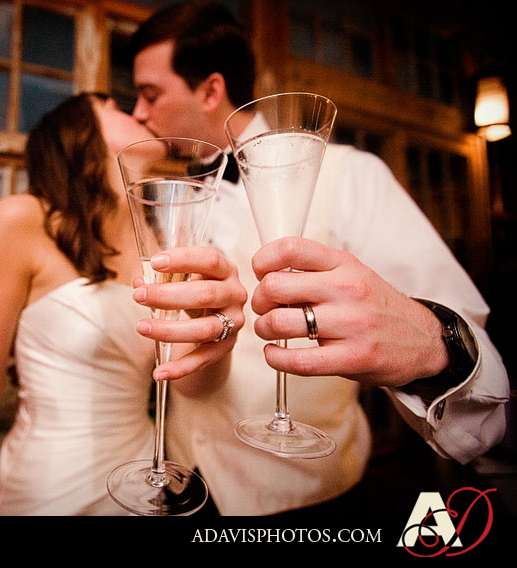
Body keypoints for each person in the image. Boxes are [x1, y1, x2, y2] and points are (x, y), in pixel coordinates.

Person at [126, 1, 510, 516]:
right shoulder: (168, 198)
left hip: (310, 498)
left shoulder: (351, 174)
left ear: (212, 90)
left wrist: (431, 347)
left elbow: (466, 338)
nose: (138, 113)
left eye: (150, 95)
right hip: (182, 491)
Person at [0, 92, 245, 515]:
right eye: (115, 106)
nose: (139, 112)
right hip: (47, 490)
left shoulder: (162, 240)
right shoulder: (22, 221)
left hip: (143, 488)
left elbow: (191, 385)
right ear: (77, 131)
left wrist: (219, 331)